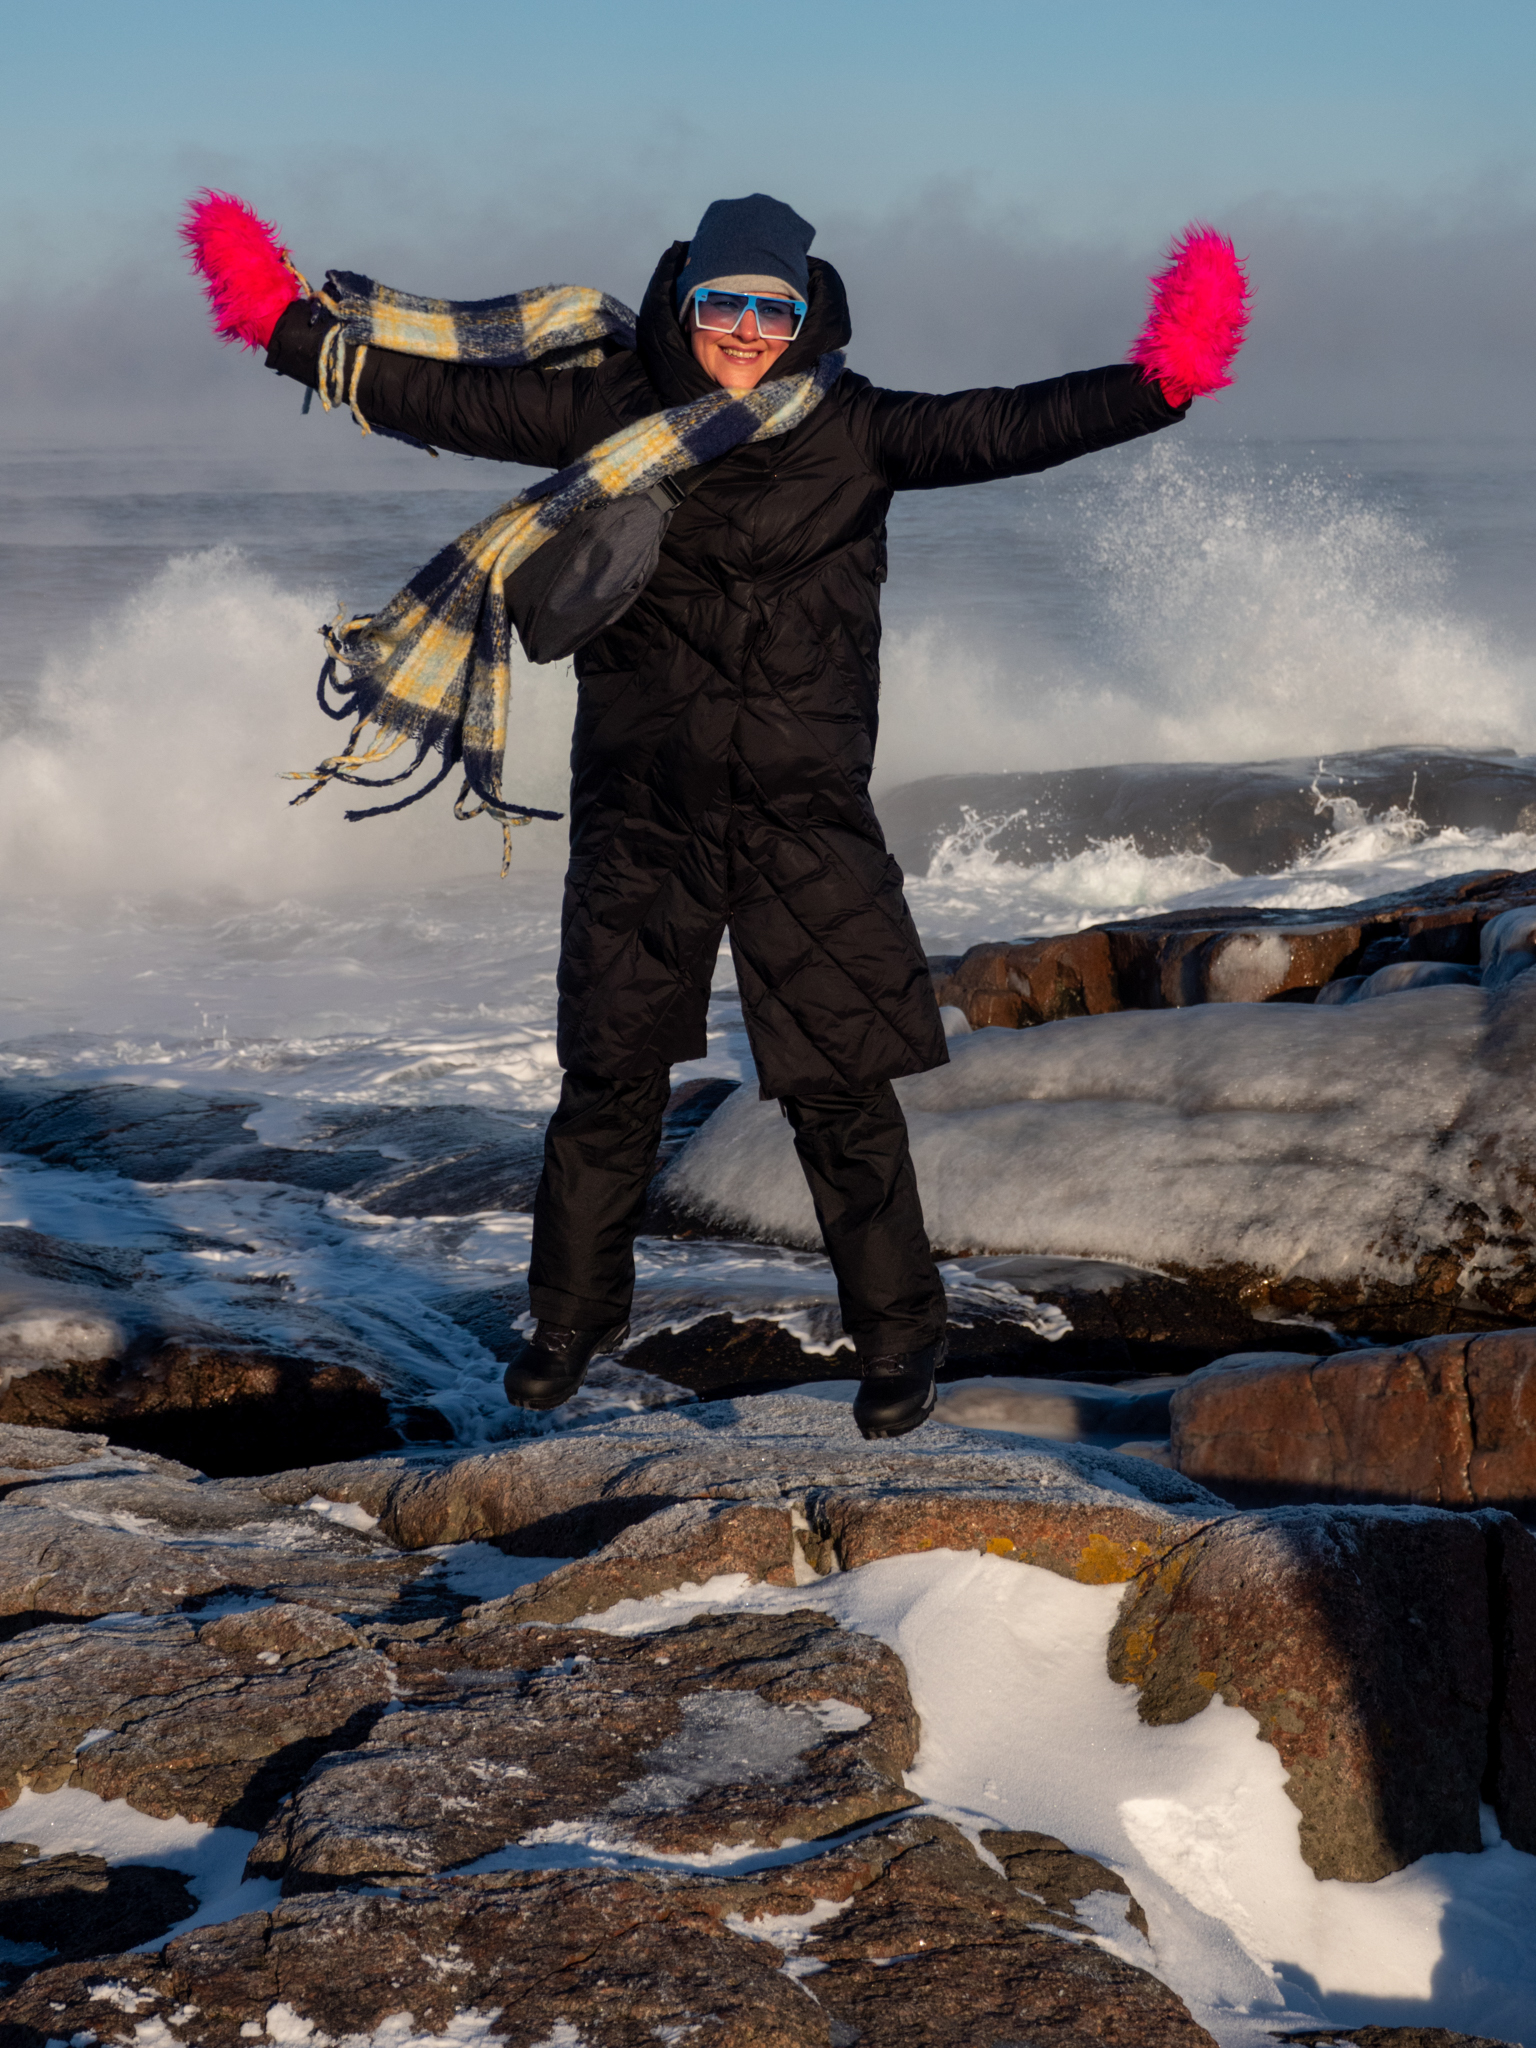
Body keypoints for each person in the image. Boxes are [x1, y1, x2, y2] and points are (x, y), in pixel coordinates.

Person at [215, 191, 1245, 1441]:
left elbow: (1014, 424)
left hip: (804, 819)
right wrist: (281, 325)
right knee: (609, 1078)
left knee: (840, 1094)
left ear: (806, 318)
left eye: (773, 311)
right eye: (724, 306)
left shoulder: (858, 429)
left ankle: (900, 1340)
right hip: (641, 809)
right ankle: (570, 1322)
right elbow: (439, 399)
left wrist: (1164, 380)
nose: (748, 333)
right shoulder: (607, 406)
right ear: (685, 301)